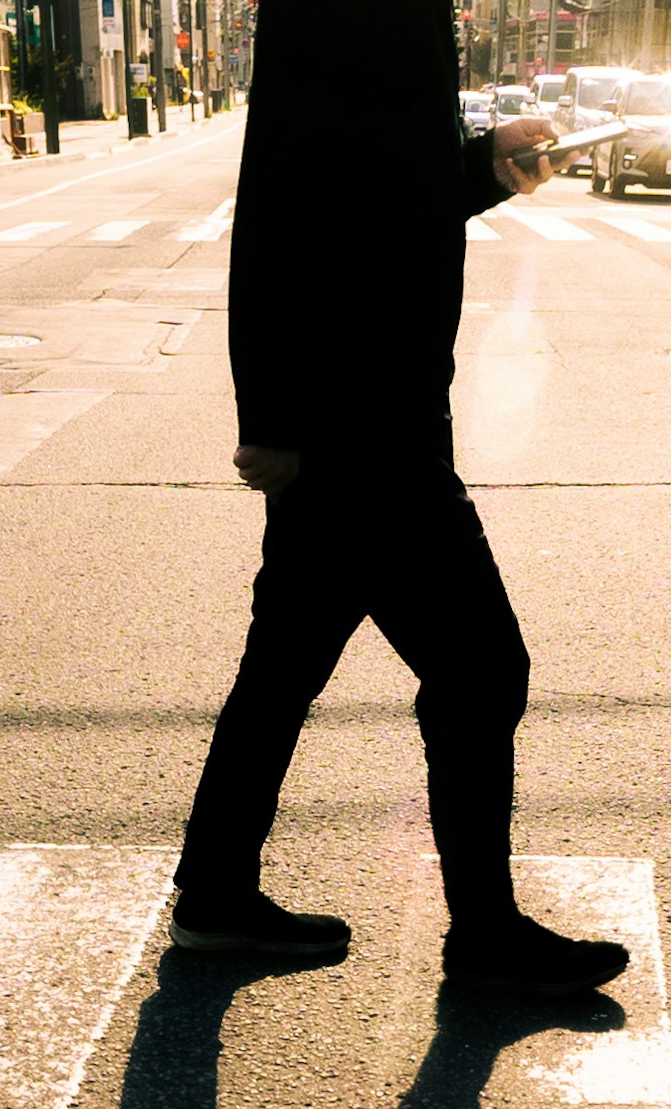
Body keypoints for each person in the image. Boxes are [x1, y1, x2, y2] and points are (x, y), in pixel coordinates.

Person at [168, 3, 629, 994]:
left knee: (285, 662)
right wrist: (270, 411)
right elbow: (286, 189)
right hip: (364, 415)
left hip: (362, 404)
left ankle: (214, 892)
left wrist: (490, 165)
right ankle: (485, 939)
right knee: (482, 664)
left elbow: (379, 189)